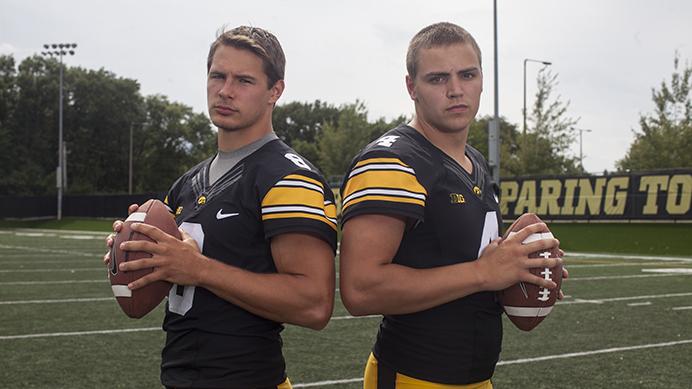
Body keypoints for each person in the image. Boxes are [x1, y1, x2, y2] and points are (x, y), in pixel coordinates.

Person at [104, 26, 337, 389]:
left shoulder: (289, 177)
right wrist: (140, 252)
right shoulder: (187, 183)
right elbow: (173, 269)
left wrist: (198, 269)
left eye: (244, 80)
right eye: (218, 76)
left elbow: (314, 304)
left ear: (275, 90)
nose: (225, 91)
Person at [339, 22, 564, 388]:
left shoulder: (475, 161)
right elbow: (360, 289)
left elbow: (468, 260)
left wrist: (521, 266)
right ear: (412, 87)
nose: (456, 90)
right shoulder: (391, 160)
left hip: (476, 377)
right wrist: (483, 273)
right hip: (415, 375)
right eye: (438, 78)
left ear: (481, 80)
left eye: (467, 74)